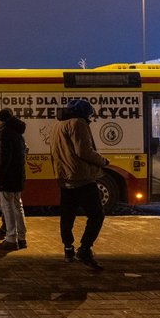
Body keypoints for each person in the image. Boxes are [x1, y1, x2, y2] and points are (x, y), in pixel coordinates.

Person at [50, 99, 109, 269]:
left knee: (67, 216)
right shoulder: (78, 123)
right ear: (84, 113)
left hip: (64, 178)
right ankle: (85, 249)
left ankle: (68, 249)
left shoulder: (57, 125)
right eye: (89, 114)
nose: (90, 118)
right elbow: (84, 151)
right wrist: (103, 161)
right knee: (97, 215)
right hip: (81, 178)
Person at [0, 108, 28, 251]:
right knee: (18, 206)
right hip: (18, 176)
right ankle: (22, 238)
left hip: (7, 177)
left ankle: (11, 239)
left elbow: (2, 159)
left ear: (1, 121)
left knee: (8, 207)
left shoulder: (3, 133)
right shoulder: (17, 132)